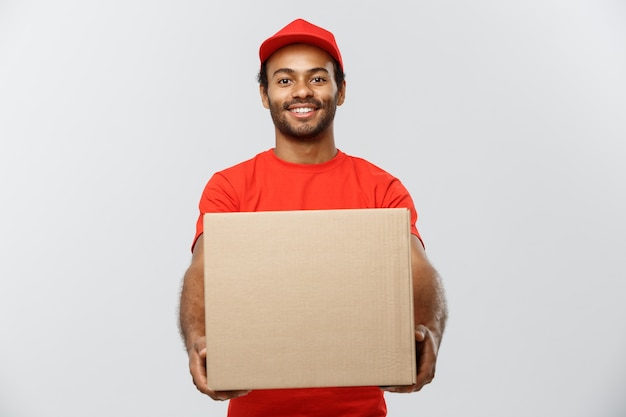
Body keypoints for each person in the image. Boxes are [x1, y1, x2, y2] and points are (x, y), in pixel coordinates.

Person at [178, 18, 448, 417]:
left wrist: (430, 334)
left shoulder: (380, 187)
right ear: (264, 94)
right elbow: (201, 270)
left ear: (340, 92)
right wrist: (199, 341)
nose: (302, 91)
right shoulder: (230, 187)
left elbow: (419, 270)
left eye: (318, 79)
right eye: (284, 80)